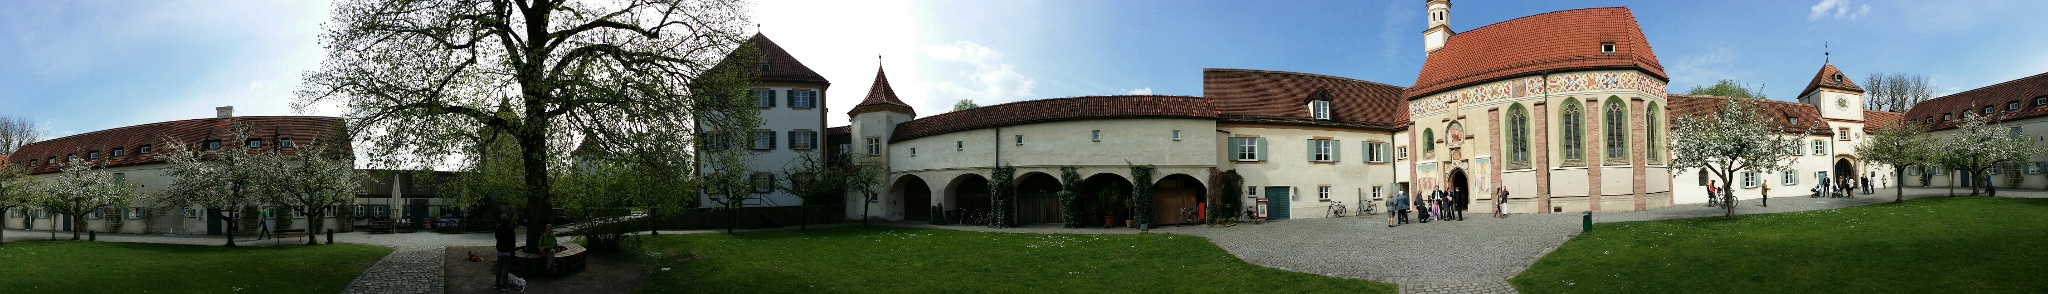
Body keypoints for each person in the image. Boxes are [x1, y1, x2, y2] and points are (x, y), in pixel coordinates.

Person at [493, 216, 516, 290]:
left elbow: (496, 237)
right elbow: (513, 241)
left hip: (500, 249)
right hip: (508, 250)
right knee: (505, 268)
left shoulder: (497, 227)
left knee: (499, 267)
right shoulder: (510, 228)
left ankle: (497, 283)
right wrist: (513, 252)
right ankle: (504, 284)